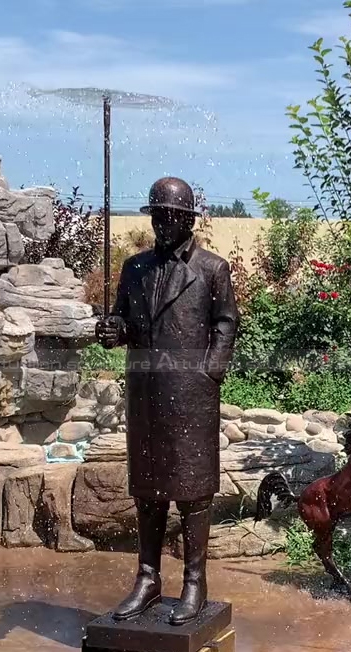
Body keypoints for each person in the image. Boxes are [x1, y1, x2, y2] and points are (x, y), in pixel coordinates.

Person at [96, 177, 239, 625]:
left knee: (194, 489)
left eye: (169, 215)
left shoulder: (212, 269)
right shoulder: (135, 269)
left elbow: (226, 324)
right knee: (148, 488)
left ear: (186, 219)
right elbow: (125, 322)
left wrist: (209, 372)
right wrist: (114, 330)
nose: (161, 223)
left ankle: (194, 581)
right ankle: (148, 577)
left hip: (191, 396)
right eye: (156, 215)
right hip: (147, 395)